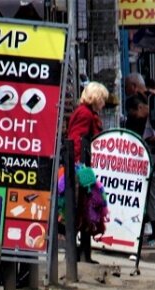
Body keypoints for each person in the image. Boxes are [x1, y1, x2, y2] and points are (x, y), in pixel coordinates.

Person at [67, 81, 108, 262]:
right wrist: (81, 170)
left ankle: (84, 253)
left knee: (87, 206)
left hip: (81, 165)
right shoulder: (85, 114)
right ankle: (81, 254)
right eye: (103, 100)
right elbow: (78, 142)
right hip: (81, 167)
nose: (104, 104)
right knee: (88, 205)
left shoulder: (84, 112)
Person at [124, 94, 155, 247]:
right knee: (151, 202)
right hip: (150, 166)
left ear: (141, 107)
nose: (135, 117)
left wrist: (145, 141)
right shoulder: (144, 120)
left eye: (135, 112)